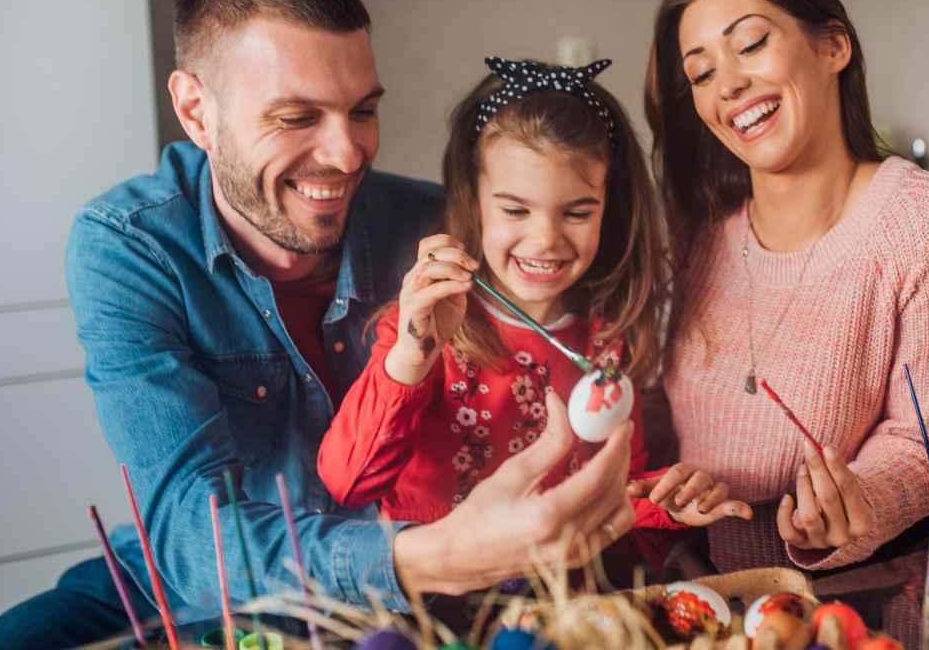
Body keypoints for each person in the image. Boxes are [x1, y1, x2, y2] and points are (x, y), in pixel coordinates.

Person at [0, 0, 633, 650]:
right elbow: (191, 533)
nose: (347, 154)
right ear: (196, 110)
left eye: (363, 110)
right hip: (198, 578)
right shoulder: (130, 246)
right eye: (296, 117)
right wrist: (424, 557)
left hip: (410, 596)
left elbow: (585, 307)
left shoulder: (437, 228)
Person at [644, 0, 929, 601]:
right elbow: (668, 416)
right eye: (700, 74)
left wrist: (857, 501)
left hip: (860, 596)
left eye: (750, 43)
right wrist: (657, 481)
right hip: (704, 589)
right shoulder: (700, 236)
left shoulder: (928, 221)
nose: (728, 85)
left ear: (833, 46)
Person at [317, 57, 750, 538]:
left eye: (577, 213)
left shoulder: (608, 338)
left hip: (565, 604)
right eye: (515, 210)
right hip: (444, 603)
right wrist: (412, 357)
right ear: (473, 201)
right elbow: (347, 483)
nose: (545, 239)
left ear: (611, 209)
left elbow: (615, 492)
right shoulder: (423, 327)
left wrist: (665, 503)